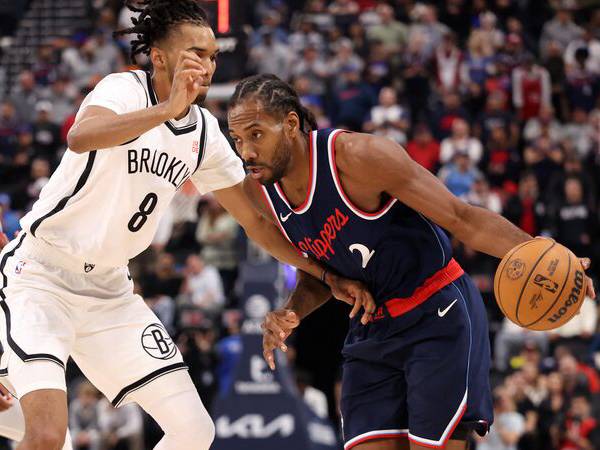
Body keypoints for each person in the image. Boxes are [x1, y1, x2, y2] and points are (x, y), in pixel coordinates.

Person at [0, 3, 374, 450]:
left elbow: (256, 219)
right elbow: (80, 136)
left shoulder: (203, 133)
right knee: (46, 437)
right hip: (41, 276)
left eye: (214, 55)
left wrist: (324, 272)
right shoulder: (124, 88)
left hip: (110, 291)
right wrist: (166, 109)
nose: (209, 64)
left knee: (195, 431)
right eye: (197, 52)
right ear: (159, 57)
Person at [226, 74, 596, 450]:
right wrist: (291, 312)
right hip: (371, 330)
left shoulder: (359, 158)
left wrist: (544, 254)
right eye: (238, 140)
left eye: (256, 135)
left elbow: (461, 218)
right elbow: (324, 276)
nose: (246, 152)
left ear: (290, 124)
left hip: (436, 313)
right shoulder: (260, 195)